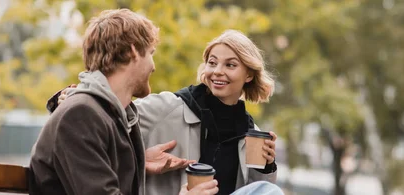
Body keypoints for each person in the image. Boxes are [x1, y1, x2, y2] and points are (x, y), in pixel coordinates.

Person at [51, 30, 280, 195]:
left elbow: (254, 187)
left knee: (269, 191)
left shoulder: (251, 133)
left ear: (249, 75)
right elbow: (108, 116)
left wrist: (267, 166)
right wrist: (70, 97)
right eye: (212, 63)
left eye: (230, 65)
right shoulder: (168, 108)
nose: (217, 72)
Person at [29, 9, 218, 195]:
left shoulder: (114, 115)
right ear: (134, 51)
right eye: (150, 53)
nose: (153, 66)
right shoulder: (80, 115)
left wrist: (138, 161)